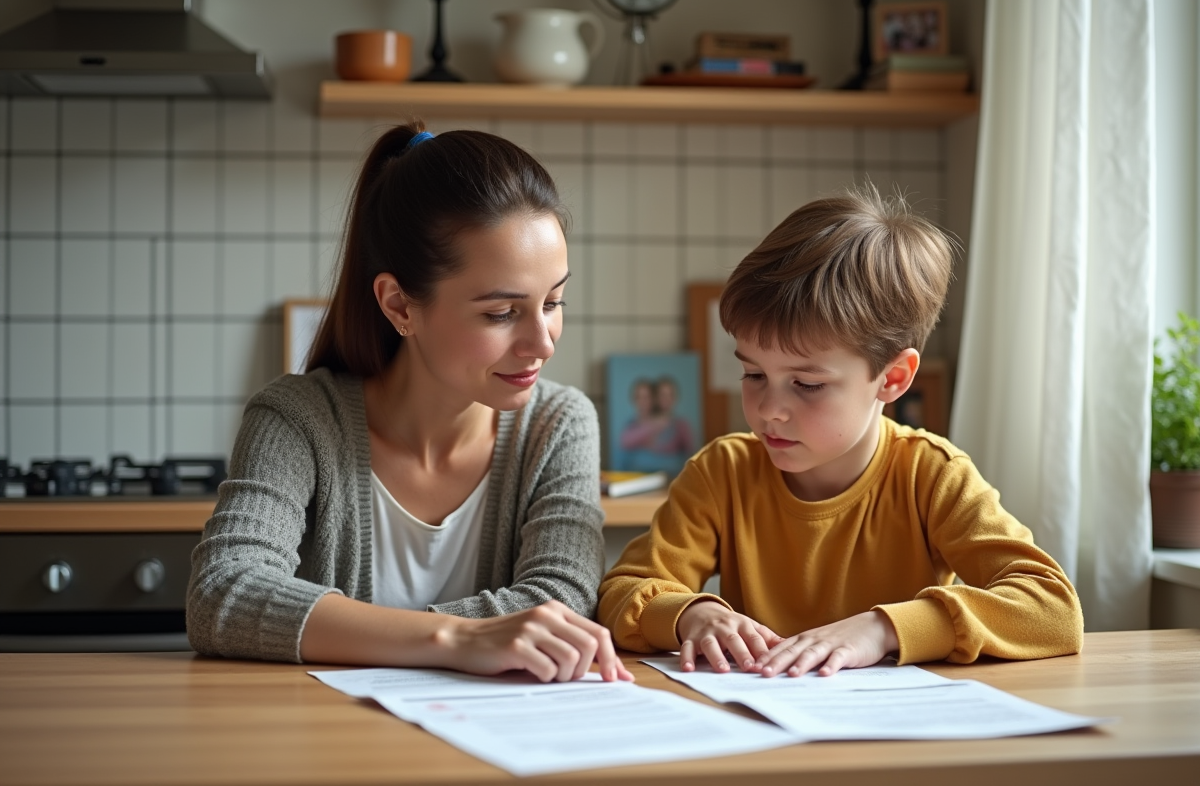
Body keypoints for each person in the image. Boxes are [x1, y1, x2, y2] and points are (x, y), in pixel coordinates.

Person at [188, 121, 631, 684]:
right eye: (501, 313)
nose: (542, 343)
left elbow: (561, 598)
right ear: (399, 305)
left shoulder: (560, 423)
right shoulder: (297, 420)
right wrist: (456, 639)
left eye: (553, 302)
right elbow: (223, 591)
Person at [598, 186, 1083, 678]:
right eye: (753, 374)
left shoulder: (932, 476)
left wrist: (883, 629)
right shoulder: (722, 472)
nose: (769, 410)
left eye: (807, 384)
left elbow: (1052, 609)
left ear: (892, 379)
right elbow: (621, 593)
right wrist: (691, 614)